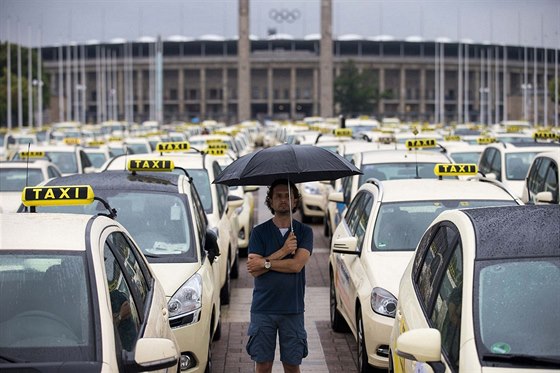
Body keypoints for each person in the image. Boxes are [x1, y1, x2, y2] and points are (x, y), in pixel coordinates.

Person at [246, 179, 314, 373]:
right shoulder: (259, 232)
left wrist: (265, 262)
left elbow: (296, 266)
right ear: (270, 200)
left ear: (295, 201)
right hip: (263, 309)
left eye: (288, 196)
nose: (283, 200)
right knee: (263, 365)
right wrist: (284, 251)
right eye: (278, 196)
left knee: (292, 365)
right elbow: (254, 269)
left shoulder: (304, 232)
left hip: (292, 309)